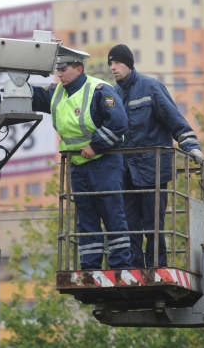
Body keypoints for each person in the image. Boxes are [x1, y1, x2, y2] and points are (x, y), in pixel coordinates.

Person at [31, 46, 132, 270]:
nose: (59, 73)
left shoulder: (98, 90)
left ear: (78, 69)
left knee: (112, 215)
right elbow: (35, 97)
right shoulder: (57, 92)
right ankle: (90, 266)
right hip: (79, 166)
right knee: (86, 219)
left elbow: (119, 123)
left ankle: (121, 265)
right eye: (57, 69)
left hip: (104, 164)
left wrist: (95, 146)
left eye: (64, 69)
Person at [107, 44, 204, 268]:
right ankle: (135, 270)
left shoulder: (150, 88)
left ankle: (156, 268)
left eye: (117, 63)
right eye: (110, 64)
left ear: (129, 64)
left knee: (153, 226)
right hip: (127, 173)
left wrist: (191, 145)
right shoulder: (113, 94)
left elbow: (174, 119)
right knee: (129, 226)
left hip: (153, 171)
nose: (113, 67)